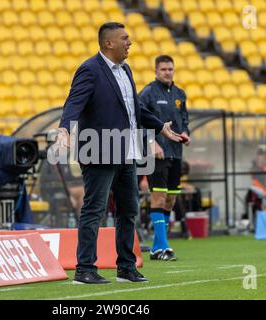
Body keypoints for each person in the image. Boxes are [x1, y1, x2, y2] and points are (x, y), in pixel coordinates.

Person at [56, 22, 183, 284]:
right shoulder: (89, 69)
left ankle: (126, 266)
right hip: (99, 150)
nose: (130, 42)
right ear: (108, 43)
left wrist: (160, 127)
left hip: (128, 151)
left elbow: (134, 108)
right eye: (125, 38)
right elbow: (73, 102)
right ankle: (85, 269)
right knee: (95, 210)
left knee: (129, 210)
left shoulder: (125, 69)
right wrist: (64, 129)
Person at [138, 55, 190, 261]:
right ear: (156, 71)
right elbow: (139, 120)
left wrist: (186, 132)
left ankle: (156, 247)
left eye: (170, 69)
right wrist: (152, 142)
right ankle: (164, 247)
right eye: (163, 69)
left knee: (171, 198)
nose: (167, 72)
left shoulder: (180, 94)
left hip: (176, 152)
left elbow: (184, 118)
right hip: (156, 153)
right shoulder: (148, 93)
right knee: (158, 196)